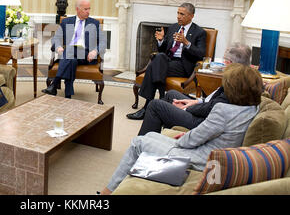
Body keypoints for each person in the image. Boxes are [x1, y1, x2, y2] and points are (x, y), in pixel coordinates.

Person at [100, 63, 262, 194]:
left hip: (199, 159)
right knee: (150, 134)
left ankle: (107, 193)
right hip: (209, 152)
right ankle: (135, 175)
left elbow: (192, 140)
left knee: (138, 142)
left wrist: (182, 138)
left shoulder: (223, 110)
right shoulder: (253, 108)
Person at [137, 43, 252, 136]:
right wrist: (196, 101)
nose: (223, 64)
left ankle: (141, 145)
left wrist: (186, 108)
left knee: (155, 105)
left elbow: (210, 109)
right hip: (205, 109)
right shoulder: (242, 77)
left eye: (224, 61)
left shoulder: (234, 84)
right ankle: (161, 136)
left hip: (202, 121)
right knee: (171, 94)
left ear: (229, 63)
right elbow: (212, 103)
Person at [127, 2, 206, 120]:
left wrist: (186, 42)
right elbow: (163, 49)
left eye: (182, 14)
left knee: (154, 64)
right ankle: (161, 94)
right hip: (167, 60)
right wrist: (161, 40)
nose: (178, 16)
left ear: (191, 16)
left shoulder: (199, 32)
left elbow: (201, 53)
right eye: (178, 13)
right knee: (159, 58)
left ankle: (147, 107)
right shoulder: (173, 27)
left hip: (183, 65)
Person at [42, 0, 106, 99]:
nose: (88, 11)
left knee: (70, 50)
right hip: (70, 55)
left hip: (86, 55)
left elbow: (103, 42)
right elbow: (56, 38)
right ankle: (68, 94)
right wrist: (58, 47)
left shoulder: (94, 23)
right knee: (71, 60)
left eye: (89, 9)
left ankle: (54, 84)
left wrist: (95, 51)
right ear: (77, 9)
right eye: (85, 9)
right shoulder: (66, 22)